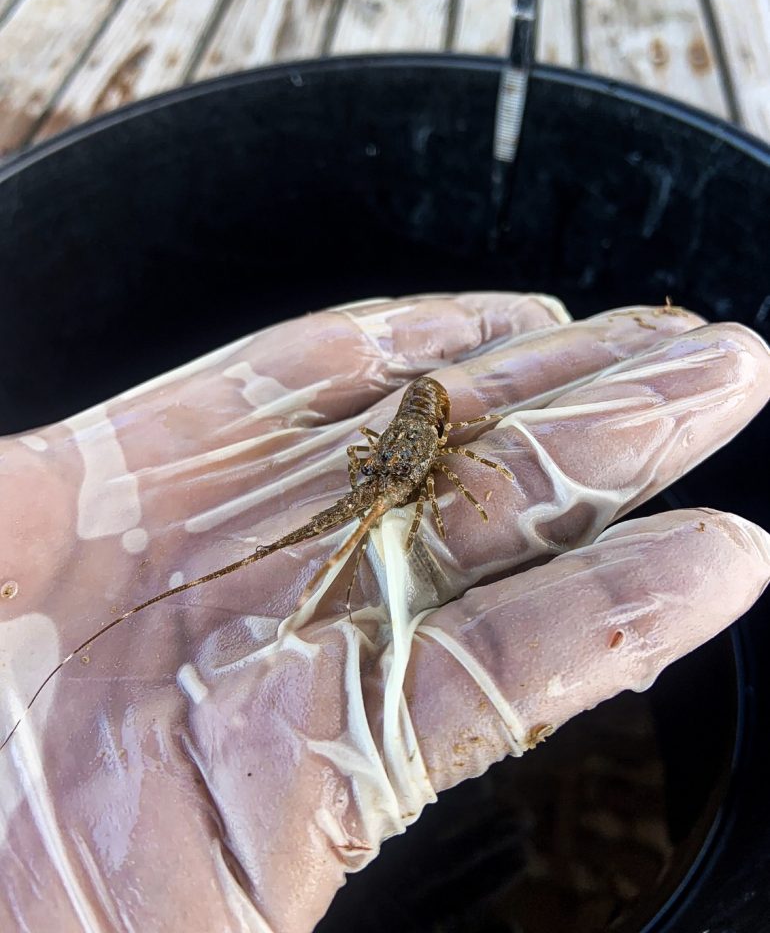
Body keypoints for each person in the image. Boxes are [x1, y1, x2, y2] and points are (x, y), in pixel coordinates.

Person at [1, 292, 769, 933]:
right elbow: (389, 463)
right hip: (398, 448)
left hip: (418, 431)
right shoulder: (392, 459)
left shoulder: (440, 435)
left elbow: (457, 461)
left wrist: (456, 486)